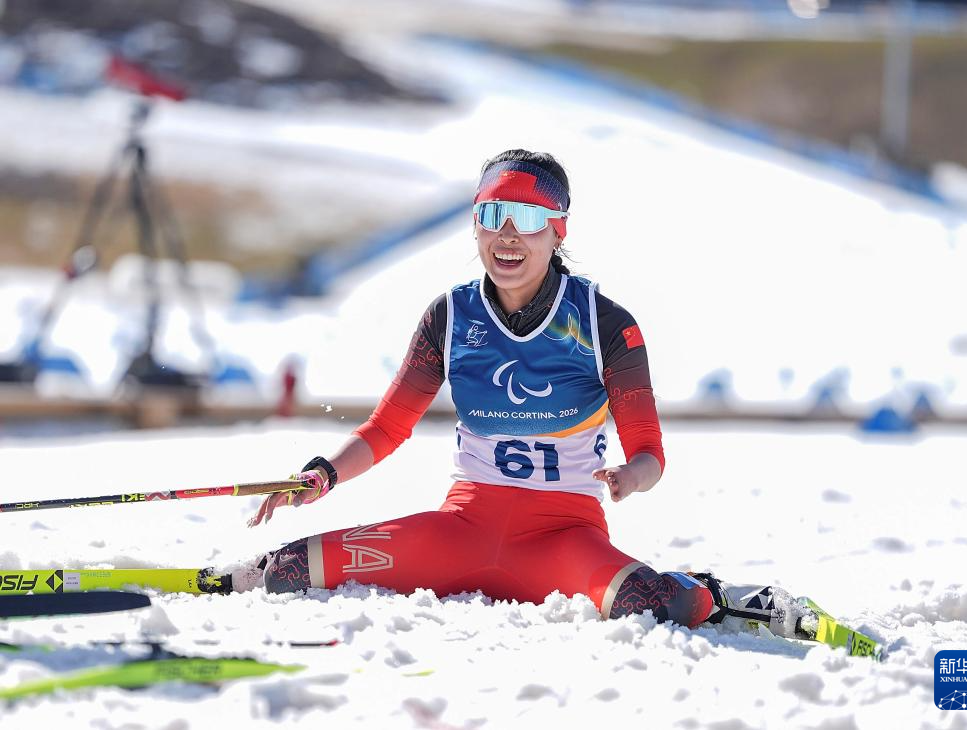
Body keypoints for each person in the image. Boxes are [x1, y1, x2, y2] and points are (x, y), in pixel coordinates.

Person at [246, 149, 786, 631]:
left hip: (563, 539)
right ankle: (221, 578)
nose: (507, 234)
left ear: (558, 231)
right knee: (288, 568)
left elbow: (650, 454)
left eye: (527, 219)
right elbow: (387, 428)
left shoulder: (603, 324)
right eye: (491, 215)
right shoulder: (449, 317)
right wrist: (322, 475)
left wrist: (630, 477)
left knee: (653, 604)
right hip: (460, 532)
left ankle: (717, 595)